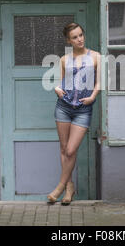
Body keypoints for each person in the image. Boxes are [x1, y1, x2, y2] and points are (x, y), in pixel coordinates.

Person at [47, 22, 100, 205]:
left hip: (83, 109)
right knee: (63, 149)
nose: (79, 39)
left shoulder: (95, 57)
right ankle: (69, 187)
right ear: (69, 40)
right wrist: (57, 89)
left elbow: (99, 83)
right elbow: (61, 82)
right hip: (63, 106)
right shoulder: (64, 60)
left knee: (71, 149)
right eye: (75, 37)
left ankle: (60, 187)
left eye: (81, 35)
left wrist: (93, 96)